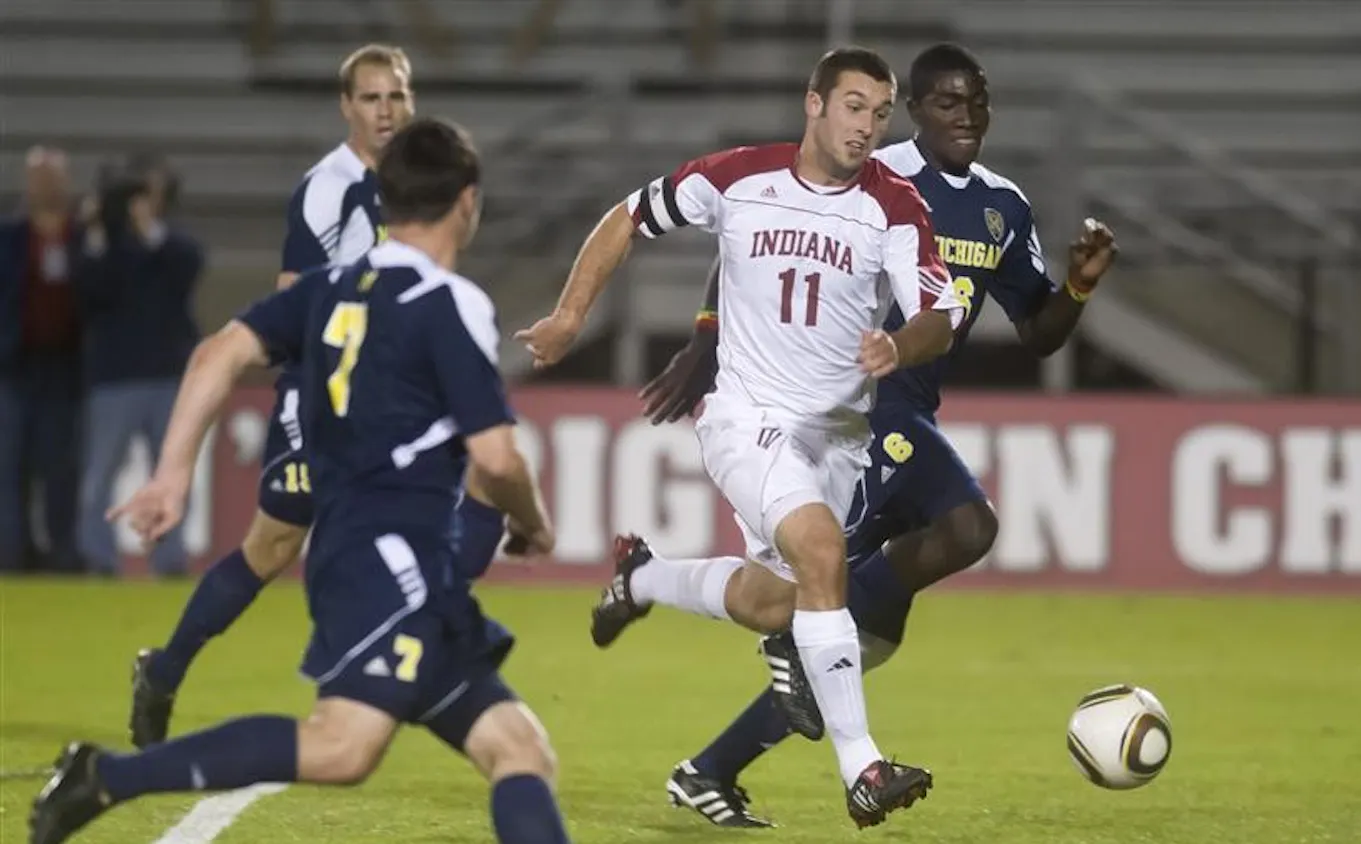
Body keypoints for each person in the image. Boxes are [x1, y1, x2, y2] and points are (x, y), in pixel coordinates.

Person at [30, 117, 570, 844]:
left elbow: (216, 355)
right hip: (391, 561)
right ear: (467, 200)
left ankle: (105, 775)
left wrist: (171, 475)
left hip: (380, 556)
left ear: (382, 198)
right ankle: (106, 778)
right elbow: (498, 460)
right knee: (341, 747)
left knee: (520, 751)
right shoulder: (451, 303)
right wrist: (532, 521)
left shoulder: (329, 288)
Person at [640, 43, 1121, 828]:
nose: (966, 117)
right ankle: (764, 663)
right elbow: (753, 234)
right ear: (917, 110)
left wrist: (1078, 286)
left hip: (907, 410)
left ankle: (707, 757)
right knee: (876, 567)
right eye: (947, 103)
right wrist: (705, 337)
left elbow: (1037, 330)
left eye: (978, 103)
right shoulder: (874, 174)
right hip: (850, 406)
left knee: (875, 617)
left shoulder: (1004, 207)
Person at [518, 46, 963, 828]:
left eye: (881, 113)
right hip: (746, 420)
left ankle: (643, 579)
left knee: (780, 603)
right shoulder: (737, 177)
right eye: (853, 107)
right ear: (814, 105)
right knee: (822, 556)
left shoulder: (892, 204)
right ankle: (863, 768)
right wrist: (570, 313)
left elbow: (942, 311)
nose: (866, 126)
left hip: (838, 439)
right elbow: (627, 217)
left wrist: (902, 344)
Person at [125, 43, 511, 751]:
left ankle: (408, 670)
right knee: (274, 543)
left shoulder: (419, 183)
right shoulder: (328, 187)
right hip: (324, 394)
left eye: (396, 96)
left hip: (392, 397)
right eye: (371, 98)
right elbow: (292, 301)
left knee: (360, 529)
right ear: (347, 107)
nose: (386, 110)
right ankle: (171, 668)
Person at [71, 153, 203, 577]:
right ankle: (99, 558)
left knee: (172, 471)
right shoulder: (102, 248)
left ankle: (170, 558)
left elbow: (188, 269)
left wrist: (148, 233)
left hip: (167, 375)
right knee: (99, 476)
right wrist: (95, 232)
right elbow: (86, 291)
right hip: (115, 377)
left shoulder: (170, 246)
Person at [0, 146, 83, 573]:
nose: (45, 184)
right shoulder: (11, 236)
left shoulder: (84, 236)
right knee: (8, 468)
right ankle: (11, 557)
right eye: (38, 176)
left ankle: (62, 556)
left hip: (66, 369)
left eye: (53, 176)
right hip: (15, 367)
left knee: (60, 470)